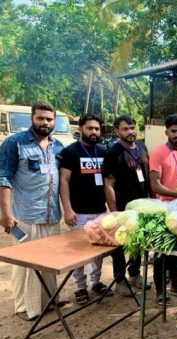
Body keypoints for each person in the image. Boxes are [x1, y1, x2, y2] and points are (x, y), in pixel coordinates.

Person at [0, 102, 64, 321]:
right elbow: (3, 179)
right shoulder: (14, 143)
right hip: (26, 216)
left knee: (49, 261)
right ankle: (26, 308)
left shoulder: (58, 146)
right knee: (27, 264)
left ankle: (48, 302)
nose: (45, 123)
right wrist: (6, 214)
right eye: (41, 118)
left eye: (49, 119)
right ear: (32, 119)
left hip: (51, 215)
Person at [60, 113, 114, 305]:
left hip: (99, 210)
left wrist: (111, 209)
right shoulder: (70, 152)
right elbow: (64, 181)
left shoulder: (103, 152)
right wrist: (67, 209)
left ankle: (96, 282)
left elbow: (108, 183)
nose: (94, 132)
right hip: (79, 212)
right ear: (81, 129)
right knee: (79, 252)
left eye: (97, 129)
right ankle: (80, 287)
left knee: (98, 249)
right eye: (90, 128)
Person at [102, 115, 150, 296]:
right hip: (123, 206)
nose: (130, 132)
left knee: (139, 241)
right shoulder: (113, 153)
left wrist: (152, 199)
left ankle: (135, 274)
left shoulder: (142, 147)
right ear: (117, 131)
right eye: (125, 129)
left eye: (132, 128)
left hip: (142, 205)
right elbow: (108, 184)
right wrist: (114, 212)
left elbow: (146, 176)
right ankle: (120, 280)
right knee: (120, 243)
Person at [149, 114, 177, 303]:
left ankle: (176, 285)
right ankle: (160, 291)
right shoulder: (159, 153)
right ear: (166, 131)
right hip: (163, 208)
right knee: (160, 252)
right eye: (173, 131)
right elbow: (155, 185)